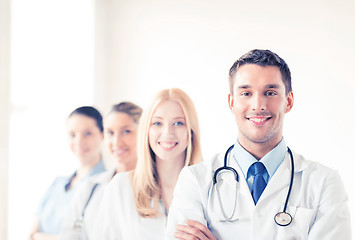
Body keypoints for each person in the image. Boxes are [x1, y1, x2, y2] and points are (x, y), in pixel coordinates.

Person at [166, 49, 351, 240]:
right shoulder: (195, 181)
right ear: (231, 102)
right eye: (246, 93)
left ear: (288, 101)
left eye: (270, 93)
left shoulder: (324, 183)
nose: (258, 105)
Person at [93, 88, 213, 239]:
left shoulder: (212, 190)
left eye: (178, 123)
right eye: (157, 123)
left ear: (191, 130)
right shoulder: (120, 187)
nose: (167, 132)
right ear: (146, 130)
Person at [59, 102, 142, 239]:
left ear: (144, 133)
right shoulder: (90, 187)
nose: (116, 142)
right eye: (110, 132)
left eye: (126, 131)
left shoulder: (159, 188)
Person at [29, 106, 106, 240]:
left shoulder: (108, 186)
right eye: (72, 135)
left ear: (102, 135)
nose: (79, 142)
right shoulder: (57, 183)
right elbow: (31, 234)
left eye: (87, 133)